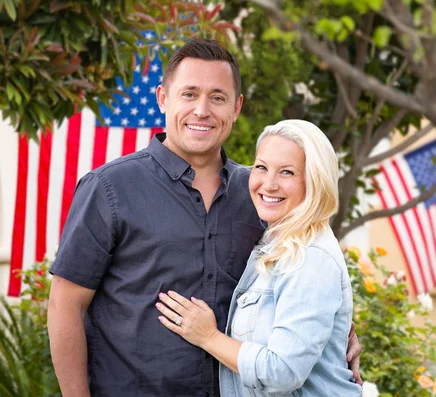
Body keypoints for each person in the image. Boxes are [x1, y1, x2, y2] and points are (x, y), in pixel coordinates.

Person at [47, 39, 361, 397]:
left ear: (236, 107)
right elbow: (65, 304)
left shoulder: (261, 195)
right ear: (163, 98)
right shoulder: (109, 188)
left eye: (217, 97)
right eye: (189, 94)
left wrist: (337, 334)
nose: (201, 110)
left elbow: (300, 287)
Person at [156, 119, 363, 396]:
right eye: (262, 167)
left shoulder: (310, 257)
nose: (269, 183)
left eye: (287, 172)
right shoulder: (275, 241)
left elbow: (283, 372)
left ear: (314, 180)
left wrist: (208, 337)